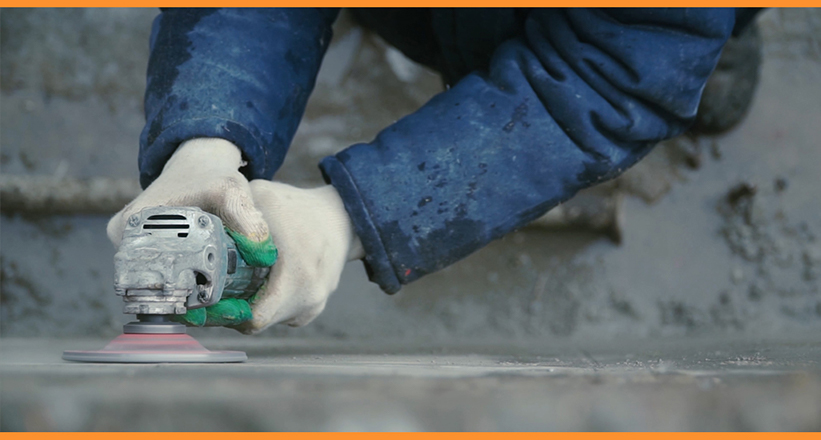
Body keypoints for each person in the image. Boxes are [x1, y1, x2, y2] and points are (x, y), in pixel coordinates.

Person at [107, 8, 759, 334]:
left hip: (636, 29)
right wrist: (205, 135)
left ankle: (713, 52)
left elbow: (609, 77)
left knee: (663, 67)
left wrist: (347, 217)